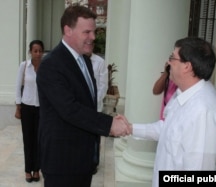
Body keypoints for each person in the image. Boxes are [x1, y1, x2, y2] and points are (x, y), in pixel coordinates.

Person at [36, 5, 130, 187]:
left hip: (83, 159)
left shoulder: (84, 60)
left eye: (93, 32)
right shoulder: (51, 65)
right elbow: (70, 109)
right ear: (68, 30)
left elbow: (87, 104)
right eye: (87, 32)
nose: (93, 37)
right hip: (62, 162)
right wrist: (109, 124)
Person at [129, 37, 216, 187]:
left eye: (172, 57)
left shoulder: (204, 111)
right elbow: (167, 128)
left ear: (187, 66)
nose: (168, 62)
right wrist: (131, 128)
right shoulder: (182, 94)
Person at [15, 39, 44, 183]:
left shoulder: (46, 67)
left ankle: (37, 169)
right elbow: (17, 87)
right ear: (30, 52)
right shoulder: (24, 66)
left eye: (40, 51)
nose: (38, 54)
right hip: (27, 108)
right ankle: (28, 170)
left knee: (39, 140)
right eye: (35, 51)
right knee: (28, 140)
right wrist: (18, 107)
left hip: (42, 109)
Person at [86, 44, 108, 174]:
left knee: (95, 137)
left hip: (95, 107)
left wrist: (93, 102)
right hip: (82, 107)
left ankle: (94, 163)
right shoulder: (79, 61)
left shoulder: (100, 62)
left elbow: (103, 85)